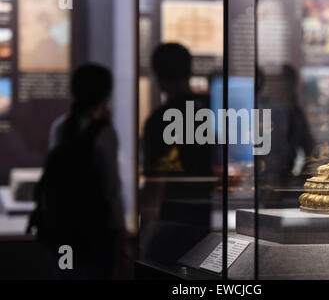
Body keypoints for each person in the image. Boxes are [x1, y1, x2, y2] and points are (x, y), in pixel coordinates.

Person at [28, 64, 126, 279]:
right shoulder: (105, 133)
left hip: (62, 229)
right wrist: (121, 231)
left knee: (67, 273)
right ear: (106, 96)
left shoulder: (60, 127)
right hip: (95, 232)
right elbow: (111, 188)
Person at [140, 44, 213, 264]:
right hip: (202, 220)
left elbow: (155, 185)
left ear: (158, 75)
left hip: (169, 224)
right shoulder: (207, 113)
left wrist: (144, 237)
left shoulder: (159, 120)